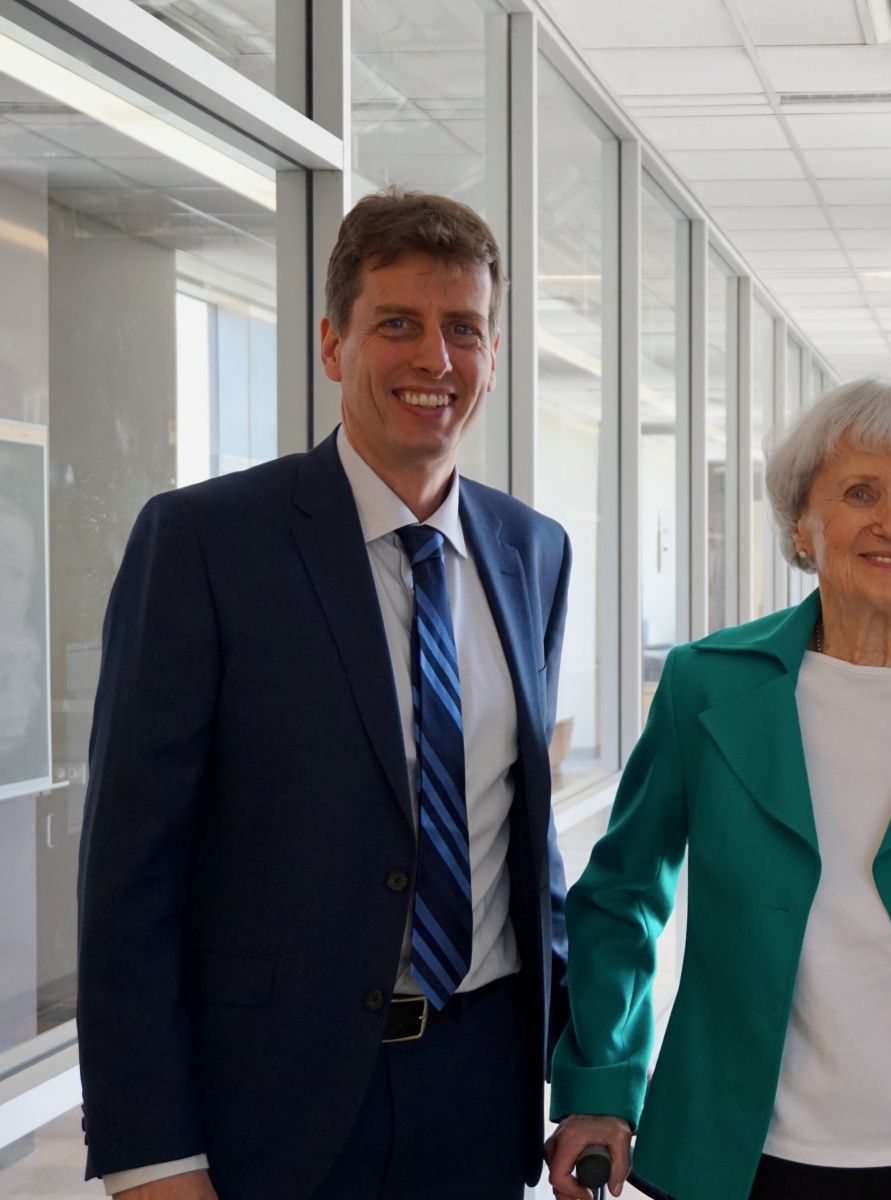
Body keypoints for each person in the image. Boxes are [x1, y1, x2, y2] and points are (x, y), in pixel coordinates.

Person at [77, 188, 573, 1200]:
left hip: (480, 1090)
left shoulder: (533, 551)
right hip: (272, 1098)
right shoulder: (207, 544)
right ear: (333, 344)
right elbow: (131, 871)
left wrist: (579, 1074)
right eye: (397, 324)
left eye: (463, 330)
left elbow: (520, 840)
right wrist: (151, 1152)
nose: (434, 360)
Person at [544, 378, 891, 1200]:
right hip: (745, 1154)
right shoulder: (708, 687)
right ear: (803, 522)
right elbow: (624, 893)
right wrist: (600, 1084)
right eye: (859, 493)